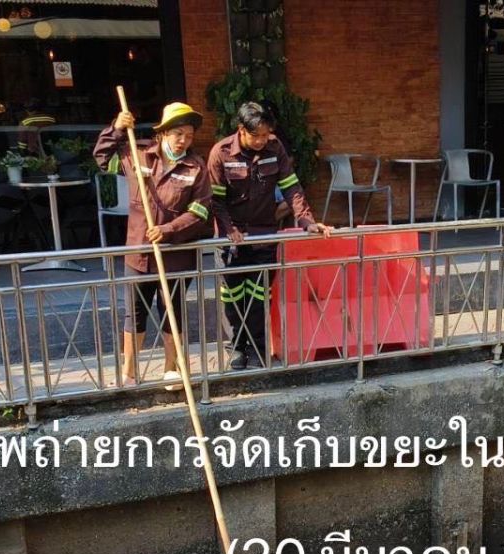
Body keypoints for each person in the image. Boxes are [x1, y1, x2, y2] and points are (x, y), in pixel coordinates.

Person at [205, 101, 332, 370]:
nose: (263, 140)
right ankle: (236, 348)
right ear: (241, 130)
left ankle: (258, 347)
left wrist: (307, 221)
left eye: (266, 134)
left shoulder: (275, 148)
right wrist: (229, 229)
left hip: (264, 235)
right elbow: (215, 200)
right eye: (257, 135)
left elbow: (291, 187)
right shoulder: (221, 153)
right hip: (232, 239)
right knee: (232, 296)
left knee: (259, 295)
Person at [94, 102, 213, 386]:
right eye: (178, 134)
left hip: (176, 254)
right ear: (163, 133)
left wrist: (169, 230)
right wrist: (116, 129)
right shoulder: (138, 154)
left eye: (189, 135)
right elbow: (102, 158)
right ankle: (129, 373)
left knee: (172, 311)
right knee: (134, 313)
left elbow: (200, 211)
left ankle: (172, 370)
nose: (183, 140)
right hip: (138, 251)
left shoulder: (196, 167)